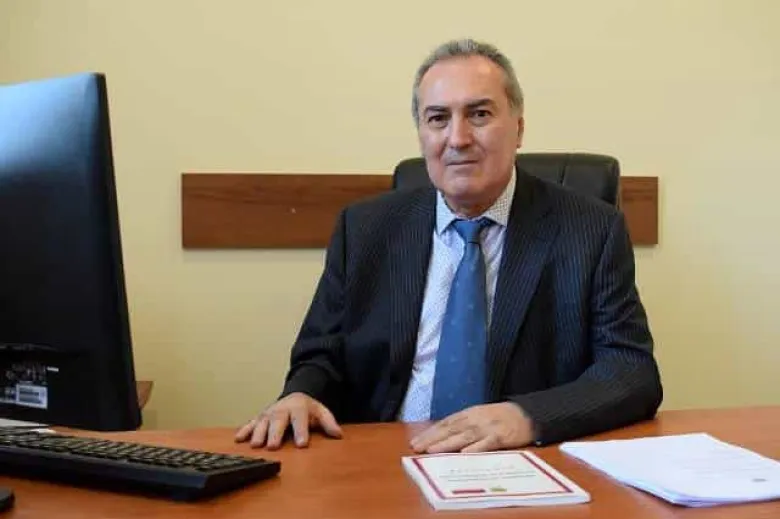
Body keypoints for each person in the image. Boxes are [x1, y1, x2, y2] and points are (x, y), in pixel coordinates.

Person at [236, 38, 662, 454]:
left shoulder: (590, 230)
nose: (457, 138)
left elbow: (631, 371)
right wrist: (301, 393)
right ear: (422, 134)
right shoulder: (365, 229)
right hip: (388, 457)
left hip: (522, 460)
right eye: (438, 118)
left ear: (518, 128)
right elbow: (321, 355)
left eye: (479, 114)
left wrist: (528, 416)